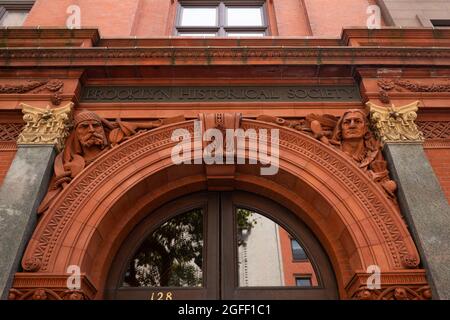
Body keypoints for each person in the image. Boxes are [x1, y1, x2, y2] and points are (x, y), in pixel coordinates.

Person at [37, 110, 184, 214]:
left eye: (96, 125)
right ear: (75, 133)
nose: (91, 130)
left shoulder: (116, 147)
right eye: (84, 126)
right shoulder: (68, 164)